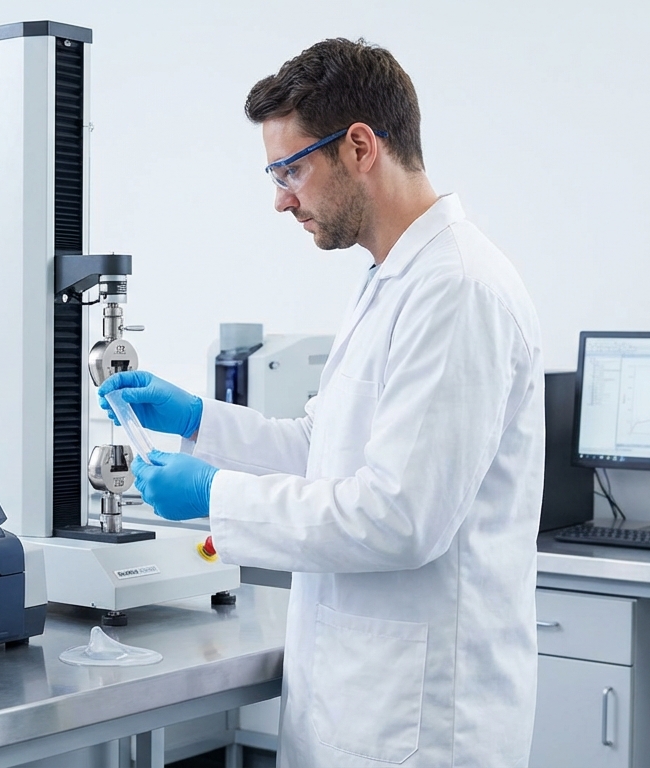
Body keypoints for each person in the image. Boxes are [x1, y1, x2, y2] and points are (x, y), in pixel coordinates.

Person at [99, 38, 544, 767]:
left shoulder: (458, 290)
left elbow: (400, 518)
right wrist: (197, 420)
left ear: (361, 147)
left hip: (423, 718)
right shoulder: (389, 278)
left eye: (291, 169)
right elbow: (323, 449)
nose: (280, 198)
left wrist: (217, 495)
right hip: (361, 697)